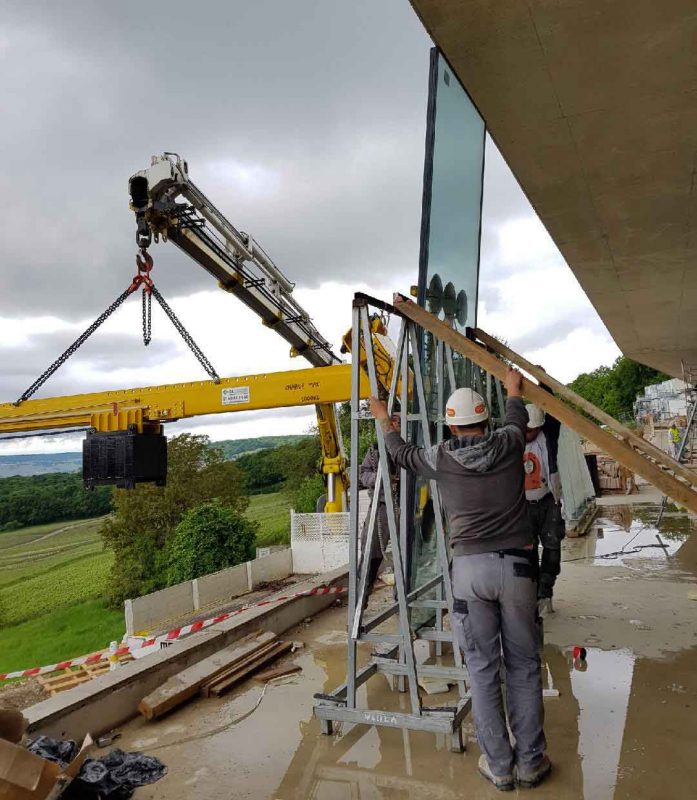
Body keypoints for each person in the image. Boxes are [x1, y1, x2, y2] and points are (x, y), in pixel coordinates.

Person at [369, 367, 550, 792]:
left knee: (484, 670)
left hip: (470, 572)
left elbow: (401, 453)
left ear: (451, 425)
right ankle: (531, 764)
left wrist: (383, 417)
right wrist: (512, 388)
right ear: (486, 421)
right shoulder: (508, 442)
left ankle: (499, 767)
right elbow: (516, 415)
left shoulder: (441, 457)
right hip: (518, 568)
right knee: (523, 667)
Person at [524, 402, 565, 616]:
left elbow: (555, 413)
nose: (527, 433)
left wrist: (543, 384)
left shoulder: (548, 437)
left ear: (539, 427)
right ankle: (531, 594)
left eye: (531, 430)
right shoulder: (512, 439)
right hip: (523, 506)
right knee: (526, 551)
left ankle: (545, 590)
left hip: (549, 501)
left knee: (552, 546)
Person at [358, 412, 400, 597]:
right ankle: (363, 591)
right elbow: (363, 474)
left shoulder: (409, 447)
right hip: (381, 505)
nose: (394, 427)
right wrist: (379, 478)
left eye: (397, 424)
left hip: (406, 506)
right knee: (371, 546)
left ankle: (402, 596)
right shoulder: (375, 450)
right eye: (392, 423)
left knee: (407, 550)